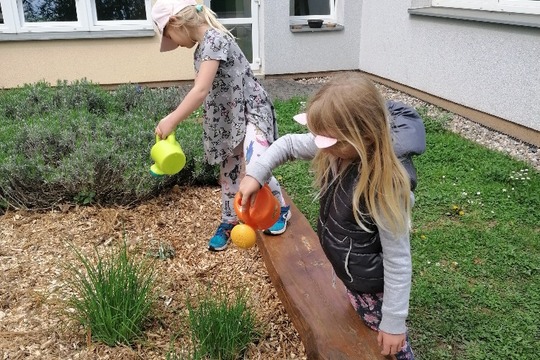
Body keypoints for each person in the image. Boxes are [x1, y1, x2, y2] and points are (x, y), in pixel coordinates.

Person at [237, 73, 426, 359]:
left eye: (328, 140)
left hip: (373, 286)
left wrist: (394, 322)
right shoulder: (342, 147)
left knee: (389, 345)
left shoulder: (385, 190)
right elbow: (287, 144)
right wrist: (256, 173)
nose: (321, 146)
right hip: (353, 272)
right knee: (363, 320)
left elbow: (398, 261)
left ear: (363, 136)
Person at [151, 0, 291, 251]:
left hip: (250, 111)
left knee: (256, 163)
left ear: (175, 23)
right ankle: (228, 220)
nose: (175, 44)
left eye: (169, 35)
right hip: (227, 118)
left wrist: (171, 119)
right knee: (229, 170)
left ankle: (280, 208)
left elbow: (201, 90)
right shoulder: (201, 48)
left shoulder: (215, 40)